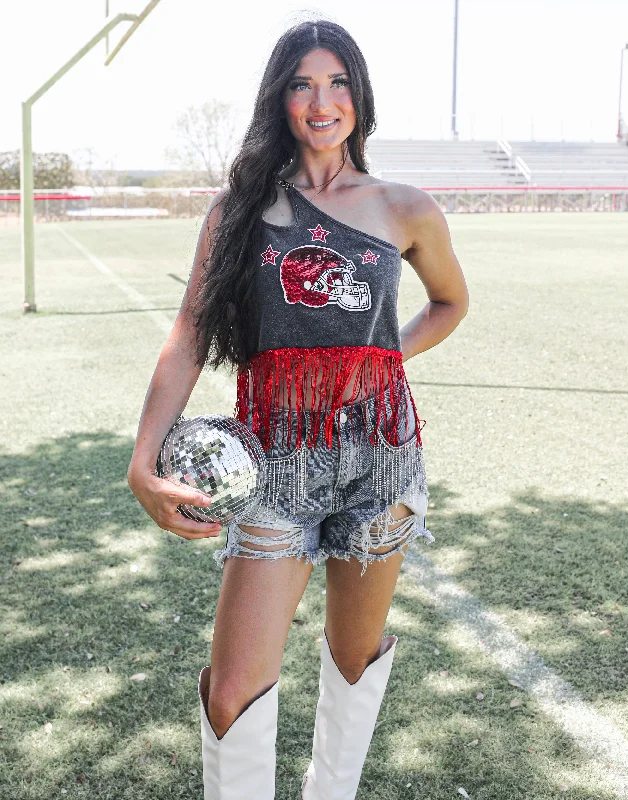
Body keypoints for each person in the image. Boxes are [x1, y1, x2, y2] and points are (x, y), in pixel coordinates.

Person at [127, 18, 469, 800]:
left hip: (382, 466)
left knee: (354, 658)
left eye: (338, 82)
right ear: (279, 99)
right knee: (231, 692)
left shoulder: (404, 206)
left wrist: (379, 361)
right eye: (303, 84)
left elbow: (451, 303)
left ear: (360, 96)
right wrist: (142, 460)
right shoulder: (241, 211)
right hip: (275, 468)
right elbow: (187, 338)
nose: (322, 101)